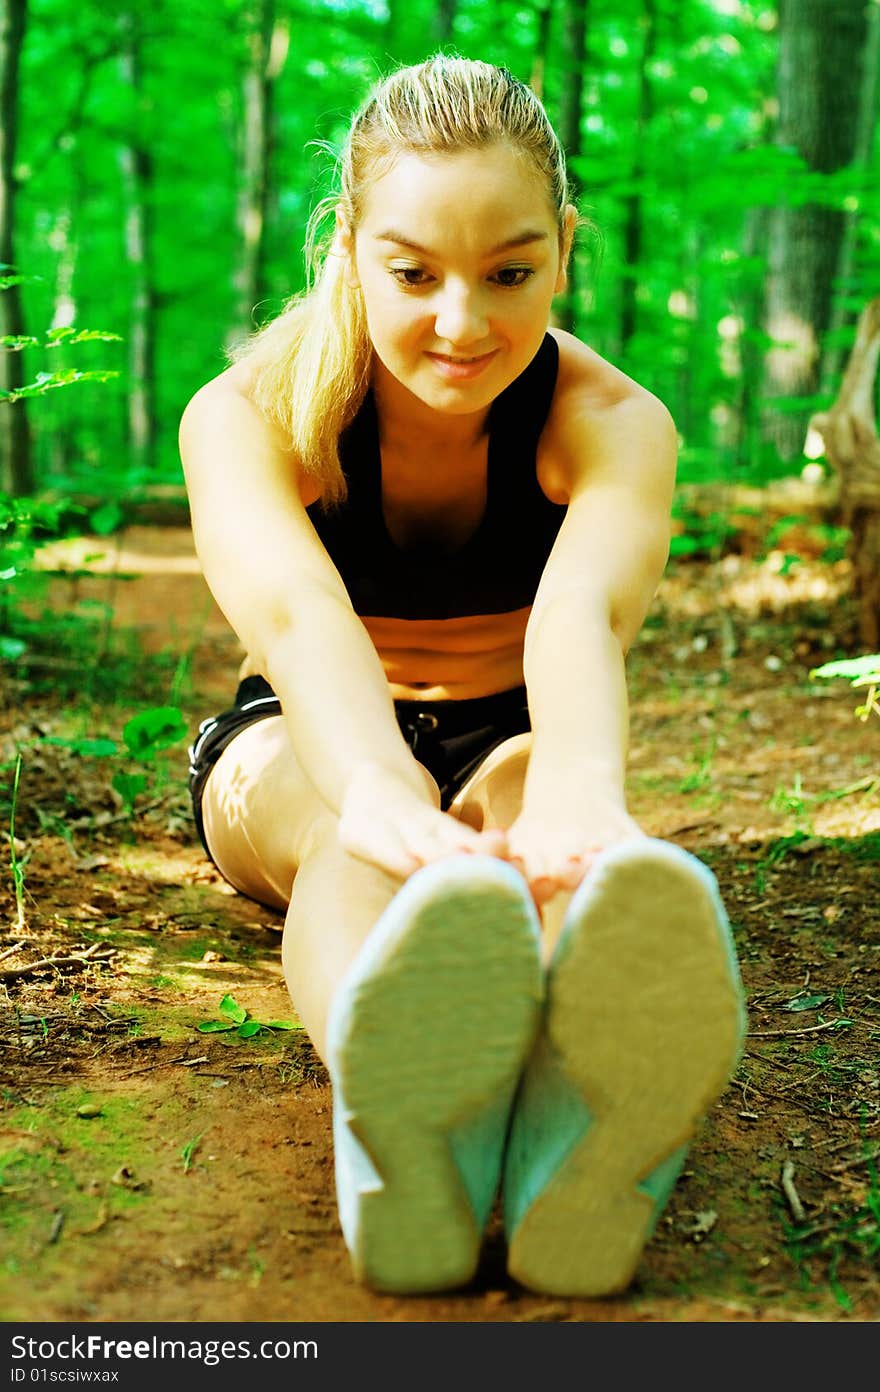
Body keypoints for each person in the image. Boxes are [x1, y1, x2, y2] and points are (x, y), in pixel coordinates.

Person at [180, 53, 746, 1299]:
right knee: (352, 838)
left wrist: (580, 799)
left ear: (564, 247)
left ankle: (576, 1130)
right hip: (300, 737)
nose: (461, 320)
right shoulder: (251, 413)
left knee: (541, 802)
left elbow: (579, 620)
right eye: (412, 272)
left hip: (509, 725)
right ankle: (394, 1091)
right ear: (347, 247)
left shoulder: (609, 420)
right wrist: (379, 784)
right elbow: (293, 609)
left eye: (510, 272)